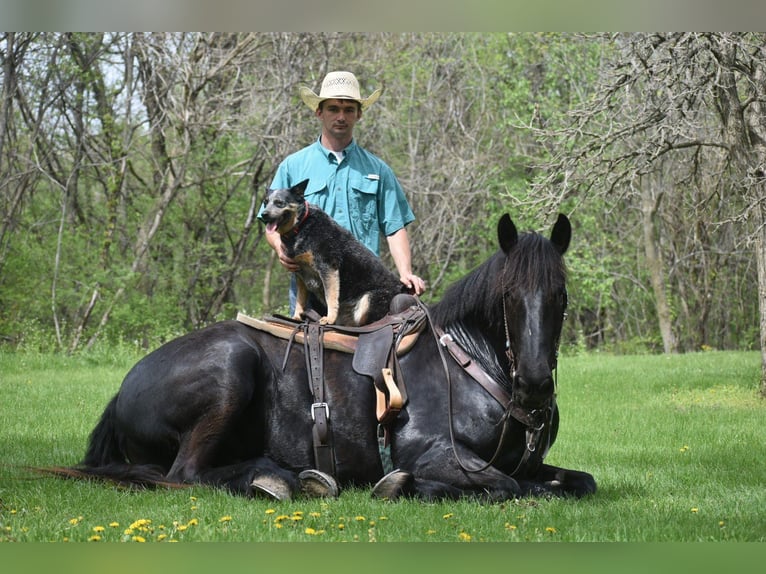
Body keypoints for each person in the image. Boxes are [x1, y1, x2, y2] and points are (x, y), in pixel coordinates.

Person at [265, 70, 426, 314]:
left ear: (359, 114)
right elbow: (270, 220)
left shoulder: (378, 170)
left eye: (349, 109)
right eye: (333, 109)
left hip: (365, 290)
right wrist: (279, 248)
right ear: (319, 111)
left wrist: (405, 272)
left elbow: (394, 227)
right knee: (304, 352)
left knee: (385, 350)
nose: (341, 116)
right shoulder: (293, 166)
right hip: (311, 291)